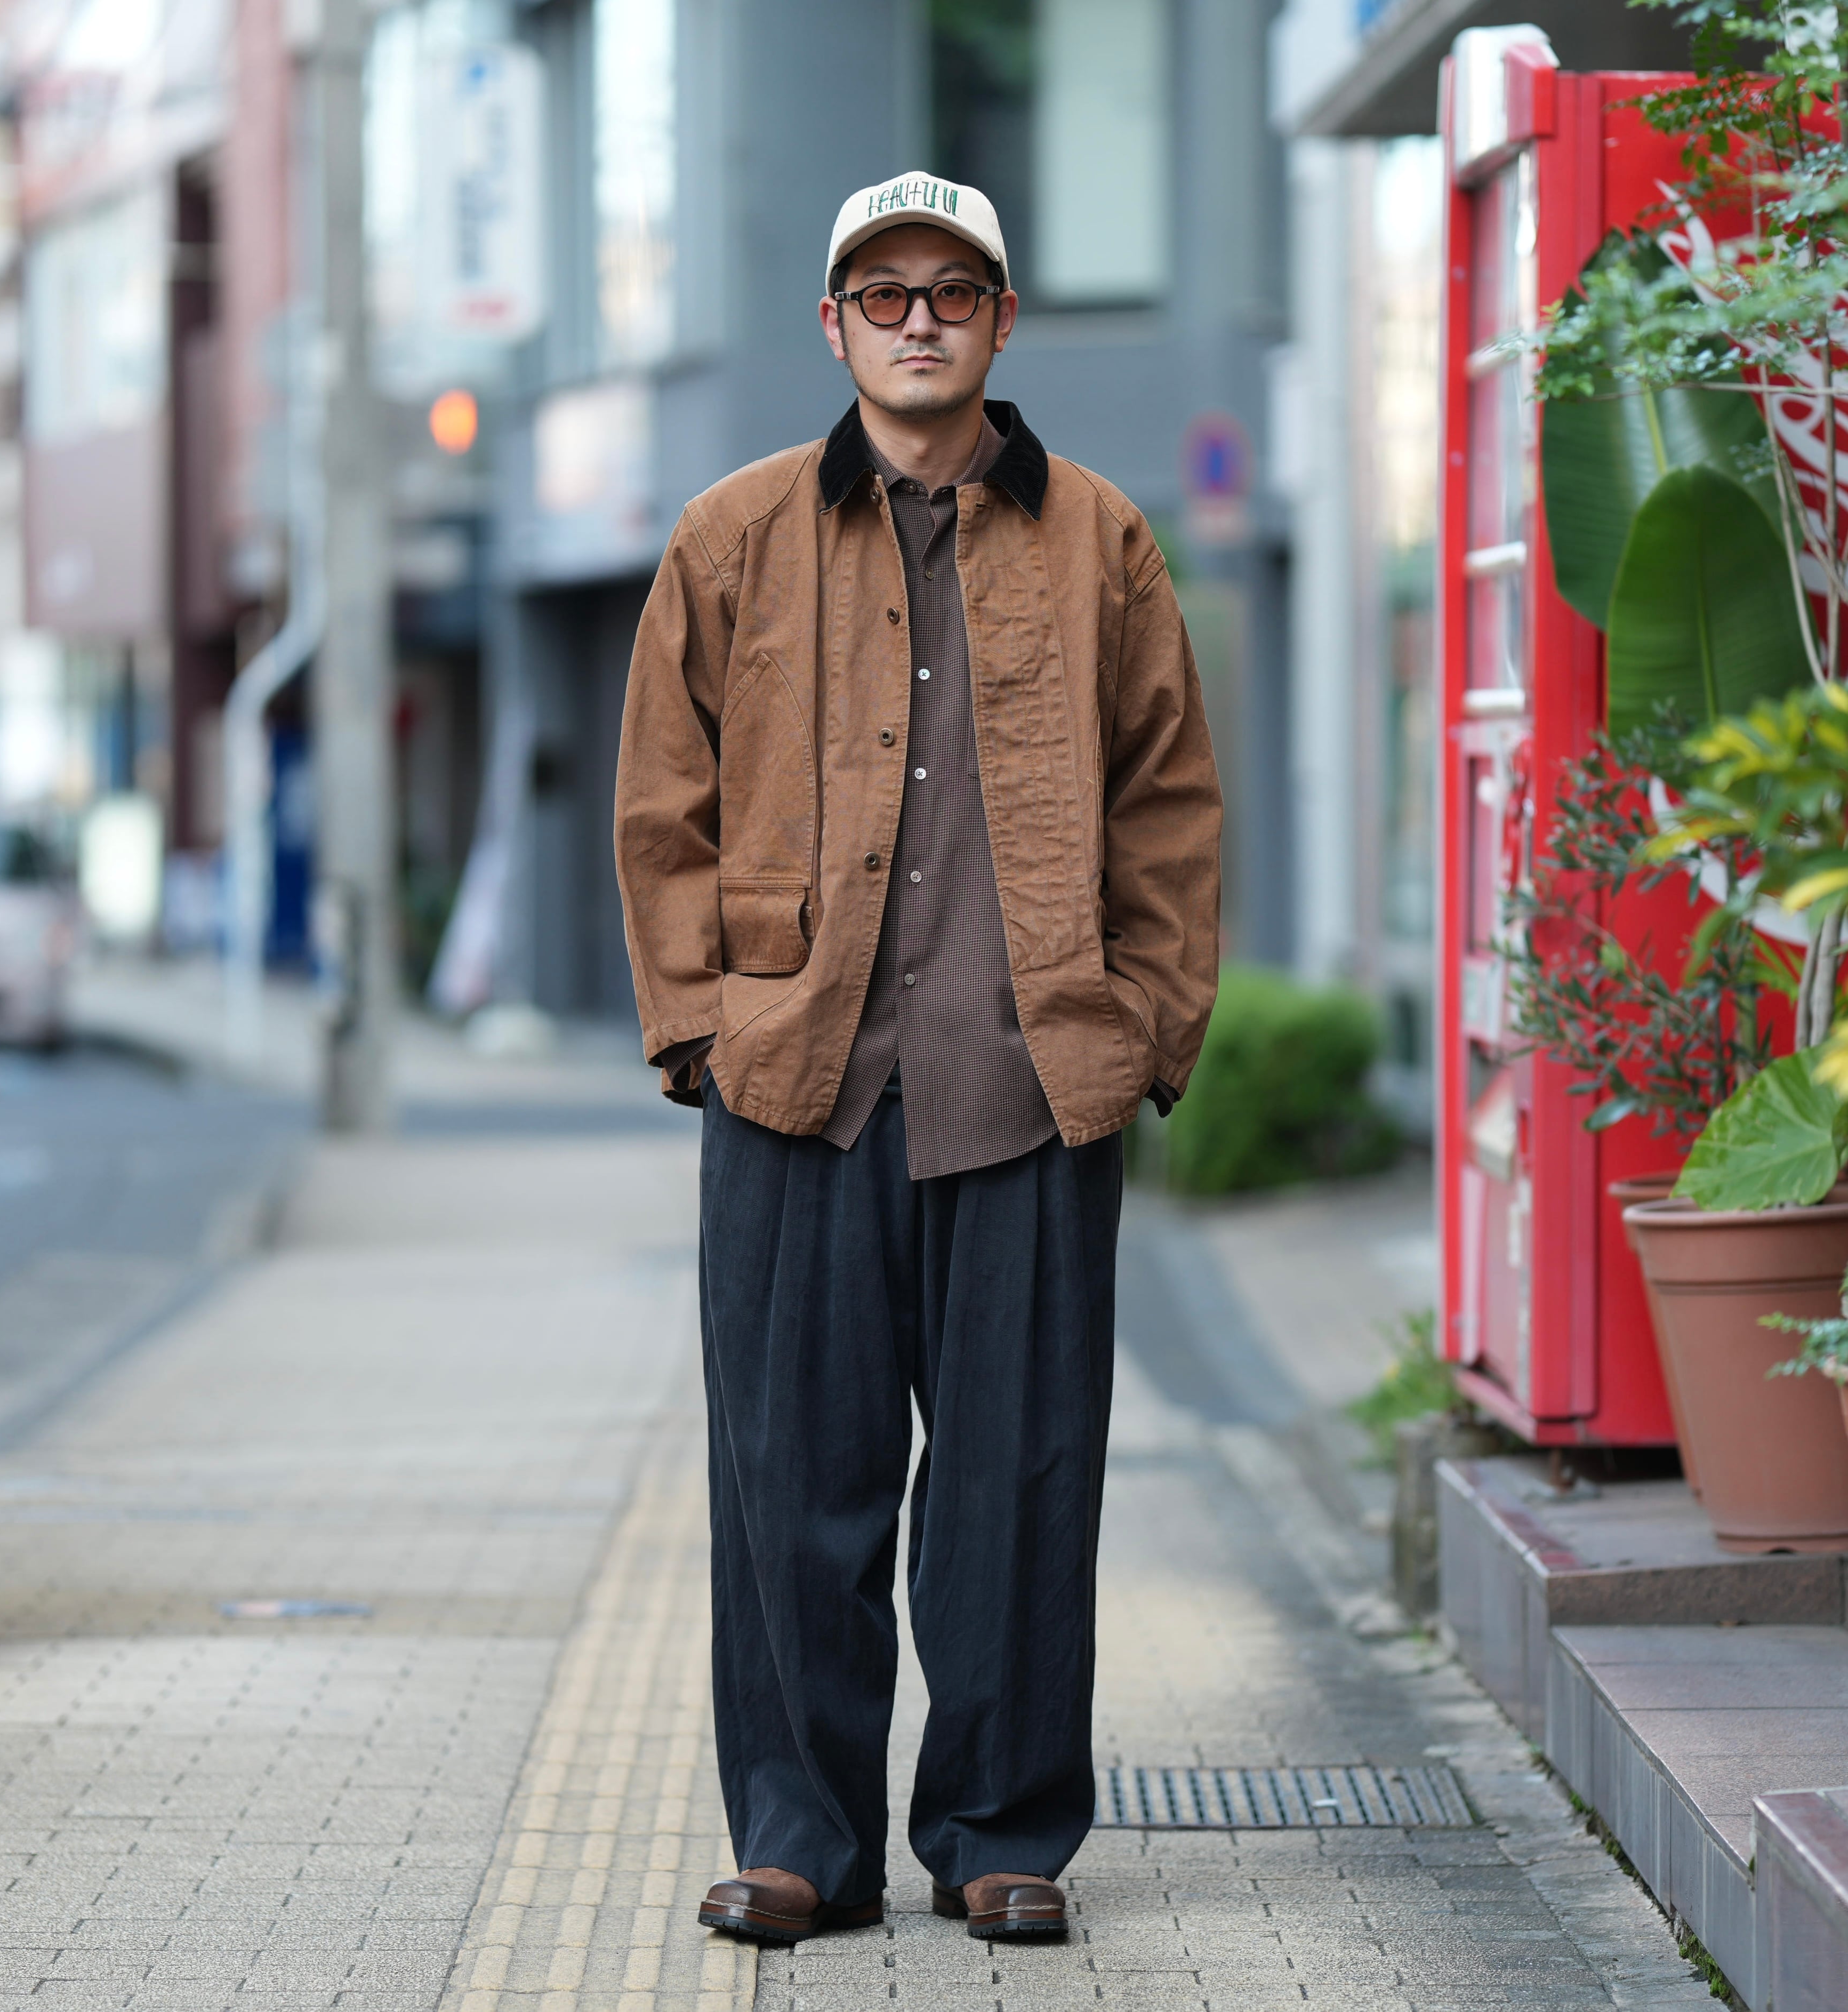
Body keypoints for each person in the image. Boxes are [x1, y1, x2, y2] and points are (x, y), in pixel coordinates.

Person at [613, 170, 1222, 1947]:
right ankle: (802, 1841)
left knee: (1021, 1485)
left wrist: (1144, 1031)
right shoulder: (731, 536)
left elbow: (1168, 805)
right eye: (883, 295)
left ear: (1002, 321)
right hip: (796, 1085)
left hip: (1028, 1085)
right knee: (789, 1490)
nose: (920, 321)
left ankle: (1000, 1832)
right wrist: (703, 1035)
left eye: (953, 291)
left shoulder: (1102, 538)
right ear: (834, 327)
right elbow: (660, 806)